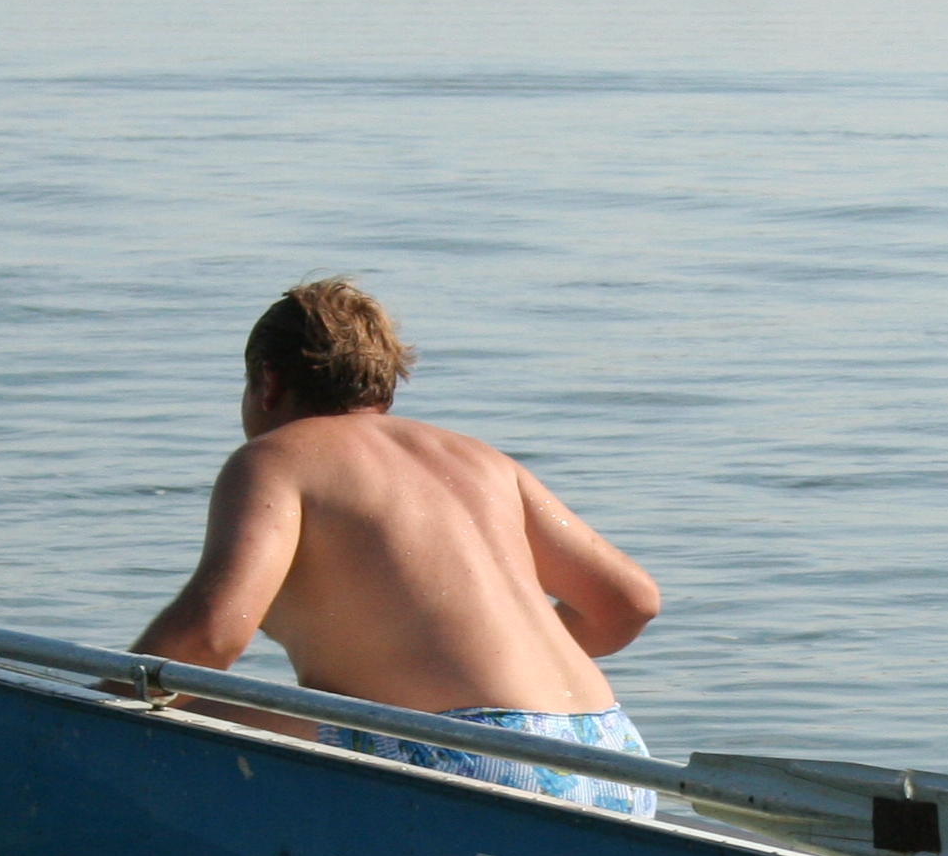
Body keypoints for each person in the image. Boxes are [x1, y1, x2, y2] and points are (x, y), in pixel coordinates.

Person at [129, 278, 665, 814]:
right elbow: (630, 602)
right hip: (614, 759)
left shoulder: (277, 457)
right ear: (383, 389)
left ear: (268, 383)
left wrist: (98, 699)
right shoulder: (480, 461)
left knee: (176, 711)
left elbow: (210, 636)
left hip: (470, 759)